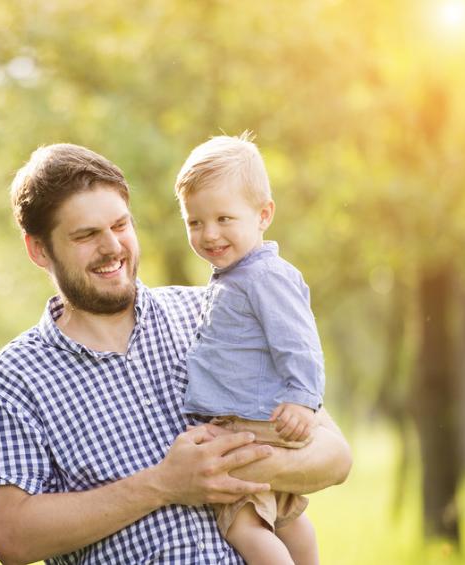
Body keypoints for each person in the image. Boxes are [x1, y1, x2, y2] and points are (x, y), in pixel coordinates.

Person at [0, 143, 352, 564]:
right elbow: (11, 536)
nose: (112, 247)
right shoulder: (14, 380)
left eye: (120, 225)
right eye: (86, 235)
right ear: (39, 250)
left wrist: (241, 467)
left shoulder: (211, 313)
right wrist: (163, 484)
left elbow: (334, 456)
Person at [176, 132, 324, 564]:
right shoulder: (237, 276)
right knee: (287, 517)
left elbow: (298, 341)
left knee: (244, 524)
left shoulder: (263, 276)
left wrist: (302, 399)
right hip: (254, 421)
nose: (209, 234)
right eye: (195, 222)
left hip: (252, 425)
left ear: (263, 215)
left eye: (224, 218)